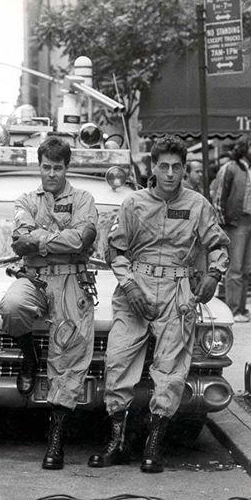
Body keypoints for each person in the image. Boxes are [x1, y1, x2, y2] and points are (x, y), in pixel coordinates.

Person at [88, 135, 229, 474]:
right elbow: (116, 249)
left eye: (176, 168)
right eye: (163, 166)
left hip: (177, 290)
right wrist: (128, 284)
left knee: (170, 370)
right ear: (153, 167)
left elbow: (218, 243)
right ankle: (117, 442)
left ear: (184, 170)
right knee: (118, 361)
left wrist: (214, 274)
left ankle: (153, 445)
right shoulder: (133, 203)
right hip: (136, 286)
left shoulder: (198, 205)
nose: (169, 174)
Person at [0, 136, 98, 470]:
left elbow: (83, 238)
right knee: (12, 308)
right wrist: (57, 241)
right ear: (38, 166)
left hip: (72, 278)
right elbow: (20, 243)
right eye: (46, 167)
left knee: (68, 352)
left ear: (67, 167)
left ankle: (55, 441)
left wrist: (40, 238)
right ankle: (29, 356)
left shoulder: (84, 198)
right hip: (34, 278)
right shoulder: (27, 199)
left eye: (58, 167)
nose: (51, 173)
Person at [215, 135, 251, 322]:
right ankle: (233, 309)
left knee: (246, 268)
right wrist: (223, 225)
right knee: (236, 268)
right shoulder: (229, 169)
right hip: (236, 223)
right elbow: (219, 198)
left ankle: (242, 308)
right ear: (243, 149)